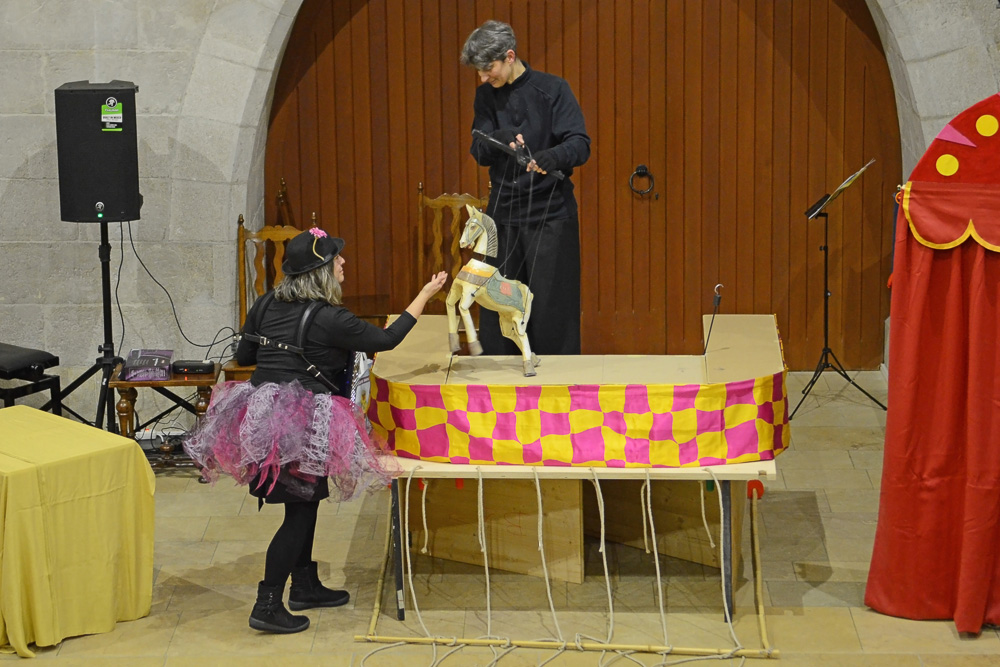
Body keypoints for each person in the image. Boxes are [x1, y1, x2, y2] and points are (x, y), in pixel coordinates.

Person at [184, 227, 447, 634]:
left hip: (265, 415)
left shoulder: (266, 302)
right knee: (299, 513)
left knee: (303, 503)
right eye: (336, 258)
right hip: (303, 421)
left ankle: (305, 586)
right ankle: (267, 605)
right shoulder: (330, 317)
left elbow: (244, 354)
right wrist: (425, 294)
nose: (343, 262)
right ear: (321, 271)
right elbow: (387, 338)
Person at [461, 19, 590, 356]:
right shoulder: (485, 96)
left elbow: (580, 144)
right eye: (479, 72)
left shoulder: (553, 89)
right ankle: (499, 380)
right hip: (503, 215)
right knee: (498, 301)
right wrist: (499, 140)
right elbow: (478, 149)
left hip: (551, 215)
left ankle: (555, 381)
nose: (483, 78)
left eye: (488, 69)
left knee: (550, 307)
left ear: (509, 56)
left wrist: (553, 155)